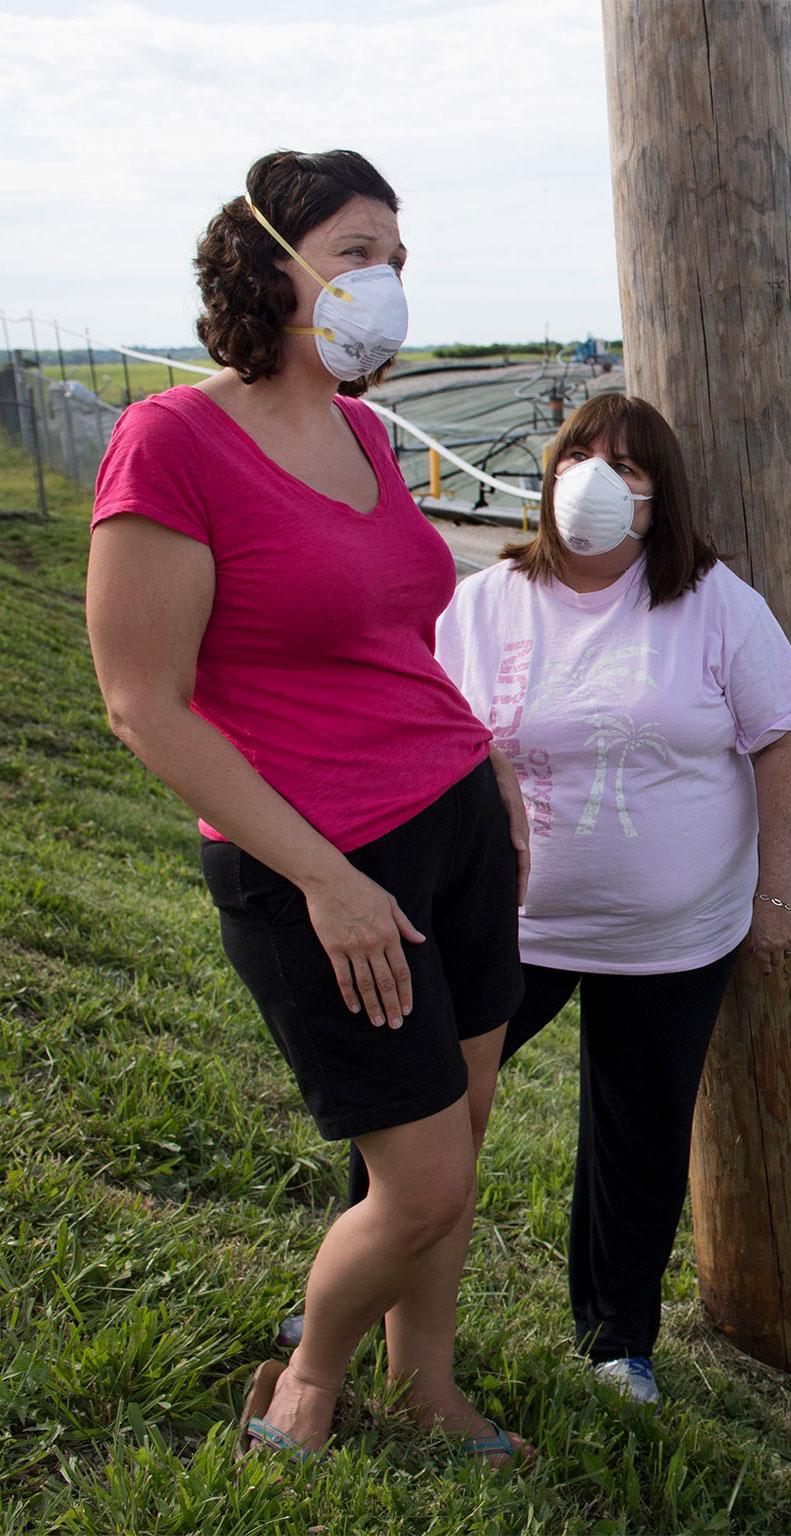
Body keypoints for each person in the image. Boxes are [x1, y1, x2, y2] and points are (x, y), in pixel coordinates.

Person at [85, 150, 530, 1465]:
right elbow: (144, 704)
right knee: (425, 1179)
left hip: (452, 819)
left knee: (463, 1132)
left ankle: (427, 1386)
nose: (384, 280)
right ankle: (310, 1384)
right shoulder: (170, 440)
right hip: (319, 859)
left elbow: (390, 631)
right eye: (354, 251)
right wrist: (328, 879)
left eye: (397, 255)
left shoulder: (365, 430)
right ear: (267, 265)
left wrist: (487, 761)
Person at [429, 390, 791, 1404]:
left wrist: (779, 892)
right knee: (420, 1098)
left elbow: (781, 735)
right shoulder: (488, 601)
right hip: (509, 922)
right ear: (549, 473)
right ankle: (367, 1284)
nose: (599, 478)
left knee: (639, 1135)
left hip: (671, 937)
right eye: (581, 455)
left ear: (659, 499)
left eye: (630, 466)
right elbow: (432, 730)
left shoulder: (711, 600)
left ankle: (616, 1342)